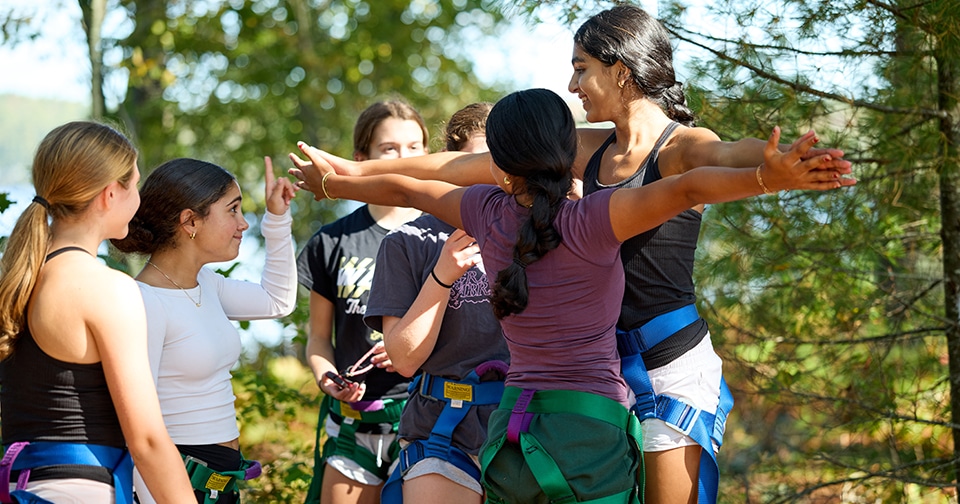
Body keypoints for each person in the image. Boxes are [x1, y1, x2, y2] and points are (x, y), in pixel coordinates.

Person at [287, 7, 853, 502]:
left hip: (668, 363)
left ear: (621, 71)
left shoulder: (679, 146)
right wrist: (351, 172)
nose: (572, 82)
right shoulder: (584, 147)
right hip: (599, 371)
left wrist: (771, 172)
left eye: (582, 68)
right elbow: (446, 170)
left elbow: (719, 162)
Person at [0, 121, 195, 503]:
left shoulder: (18, 278)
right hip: (79, 490)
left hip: (18, 486)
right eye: (134, 184)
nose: (137, 197)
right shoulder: (107, 288)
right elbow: (148, 441)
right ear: (109, 194)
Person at [110, 156, 298, 504]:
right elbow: (138, 434)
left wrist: (277, 218)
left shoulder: (207, 285)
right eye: (232, 210)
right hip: (178, 487)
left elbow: (277, 301)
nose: (243, 224)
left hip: (220, 482)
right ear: (190, 221)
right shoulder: (145, 301)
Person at [369, 103, 509, 504]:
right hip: (440, 429)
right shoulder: (407, 243)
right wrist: (442, 276)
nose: (489, 175)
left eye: (498, 162)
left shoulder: (538, 233)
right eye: (474, 163)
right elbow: (404, 358)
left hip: (523, 425)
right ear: (450, 166)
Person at [296, 99, 428, 504]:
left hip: (432, 420)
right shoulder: (332, 241)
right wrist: (327, 378)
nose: (403, 158)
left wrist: (406, 349)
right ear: (360, 159)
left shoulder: (450, 233)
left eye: (414, 147)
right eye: (389, 148)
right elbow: (319, 339)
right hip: (355, 425)